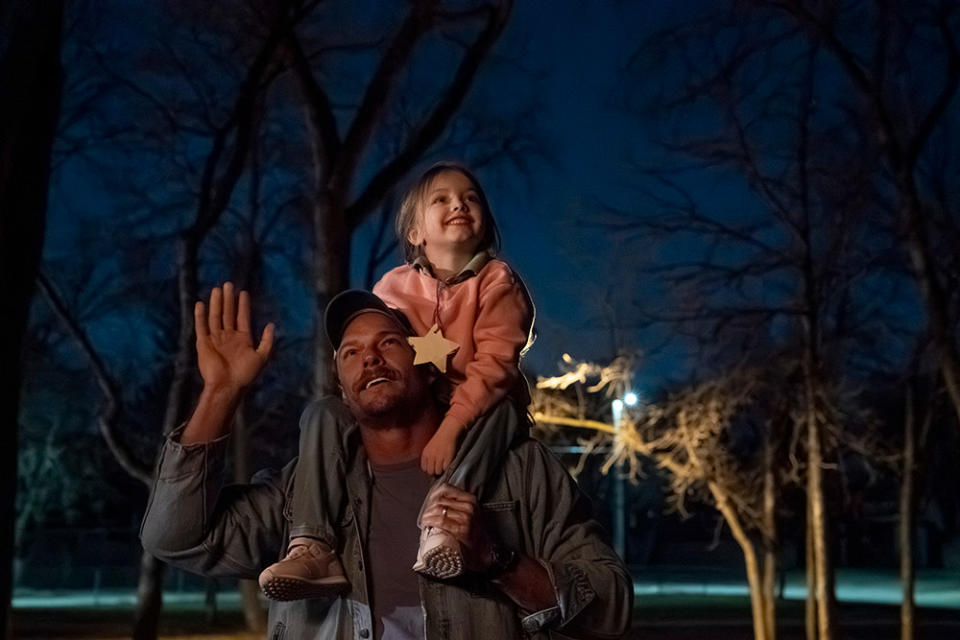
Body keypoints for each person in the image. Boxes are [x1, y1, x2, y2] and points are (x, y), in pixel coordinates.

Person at [140, 284, 633, 639]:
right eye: (350, 353)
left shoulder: (519, 471)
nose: (369, 358)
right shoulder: (302, 490)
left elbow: (610, 607)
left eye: (388, 343)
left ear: (427, 365)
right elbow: (175, 537)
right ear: (341, 388)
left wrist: (494, 559)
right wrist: (222, 393)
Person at [259, 162, 536, 600]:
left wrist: (452, 426)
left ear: (484, 222)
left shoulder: (497, 282)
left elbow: (496, 364)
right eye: (440, 199)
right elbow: (375, 348)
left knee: (503, 411)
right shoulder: (393, 286)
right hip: (417, 402)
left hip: (480, 405)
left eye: (470, 197)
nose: (458, 204)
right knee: (322, 413)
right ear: (415, 233)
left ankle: (443, 523)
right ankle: (312, 544)